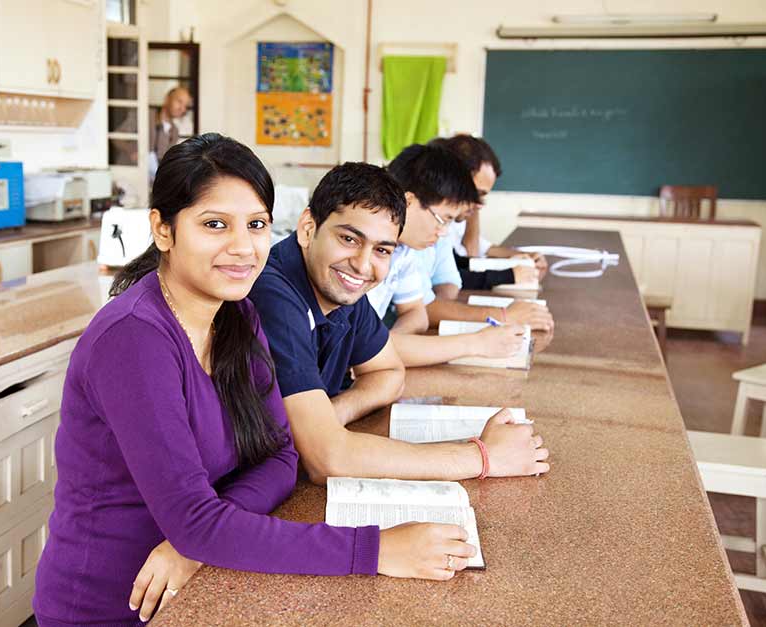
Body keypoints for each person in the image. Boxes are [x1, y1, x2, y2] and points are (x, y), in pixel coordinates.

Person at [33, 134, 479, 627]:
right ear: (162, 229)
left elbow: (282, 456)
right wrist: (377, 550)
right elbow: (199, 521)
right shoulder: (134, 339)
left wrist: (198, 538)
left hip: (201, 585)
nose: (242, 248)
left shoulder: (237, 315)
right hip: (115, 603)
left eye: (257, 225)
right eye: (215, 225)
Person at [247, 161, 550, 486]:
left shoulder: (344, 289)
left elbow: (389, 373)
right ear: (308, 228)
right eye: (349, 239)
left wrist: (333, 413)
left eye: (381, 250)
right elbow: (326, 459)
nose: (363, 264)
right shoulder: (274, 293)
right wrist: (483, 457)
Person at [368, 143, 527, 367]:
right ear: (409, 202)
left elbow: (417, 314)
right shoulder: (363, 253)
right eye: (443, 219)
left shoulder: (403, 250)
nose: (444, 232)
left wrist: (390, 343)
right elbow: (363, 350)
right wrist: (476, 343)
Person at [428, 134, 548, 289]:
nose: (480, 203)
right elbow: (466, 260)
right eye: (476, 193)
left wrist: (517, 258)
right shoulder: (433, 220)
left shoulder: (451, 219)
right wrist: (509, 275)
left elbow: (465, 258)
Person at [148, 86, 192, 180]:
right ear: (167, 99)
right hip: (132, 173)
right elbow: (117, 137)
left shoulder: (174, 131)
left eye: (185, 106)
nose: (183, 109)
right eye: (179, 102)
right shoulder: (146, 115)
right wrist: (131, 150)